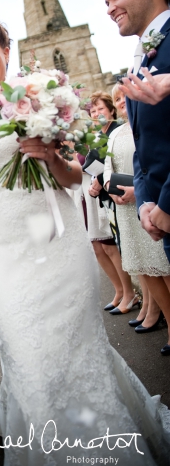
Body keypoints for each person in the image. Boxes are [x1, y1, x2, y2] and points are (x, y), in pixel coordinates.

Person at [0, 13, 170, 466]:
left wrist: (49, 153)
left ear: (6, 51)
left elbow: (74, 176)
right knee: (26, 348)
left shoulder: (39, 100)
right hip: (3, 252)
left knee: (72, 347)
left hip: (56, 244)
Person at [103, 0, 170, 263]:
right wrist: (145, 202)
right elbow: (142, 144)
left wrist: (167, 204)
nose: (110, 8)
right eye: (106, 2)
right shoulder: (138, 62)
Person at [104, 85, 170, 354]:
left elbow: (151, 161)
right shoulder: (116, 133)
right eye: (117, 99)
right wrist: (109, 183)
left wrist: (137, 192)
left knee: (162, 266)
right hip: (126, 211)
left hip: (148, 203)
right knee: (142, 265)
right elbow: (108, 164)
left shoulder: (146, 124)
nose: (121, 102)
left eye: (124, 97)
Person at [82, 91, 136, 314]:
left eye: (100, 109)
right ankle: (123, 292)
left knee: (120, 247)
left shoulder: (118, 132)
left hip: (122, 194)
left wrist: (101, 179)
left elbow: (113, 165)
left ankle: (132, 295)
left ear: (112, 110)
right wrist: (97, 180)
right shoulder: (97, 136)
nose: (96, 114)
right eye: (92, 111)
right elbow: (90, 163)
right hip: (103, 195)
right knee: (108, 246)